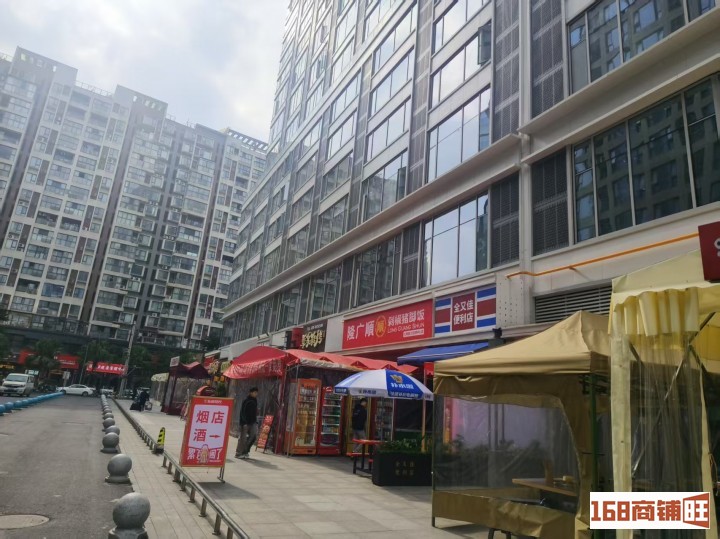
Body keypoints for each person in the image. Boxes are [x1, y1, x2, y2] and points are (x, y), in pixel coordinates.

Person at [235, 387, 259, 459]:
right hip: (245, 423)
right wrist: (244, 422)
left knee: (253, 436)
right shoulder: (246, 401)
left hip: (253, 422)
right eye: (255, 392)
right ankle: (238, 453)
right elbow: (242, 412)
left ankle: (245, 451)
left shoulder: (255, 401)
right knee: (243, 438)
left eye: (257, 393)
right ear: (251, 393)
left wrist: (255, 420)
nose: (256, 394)